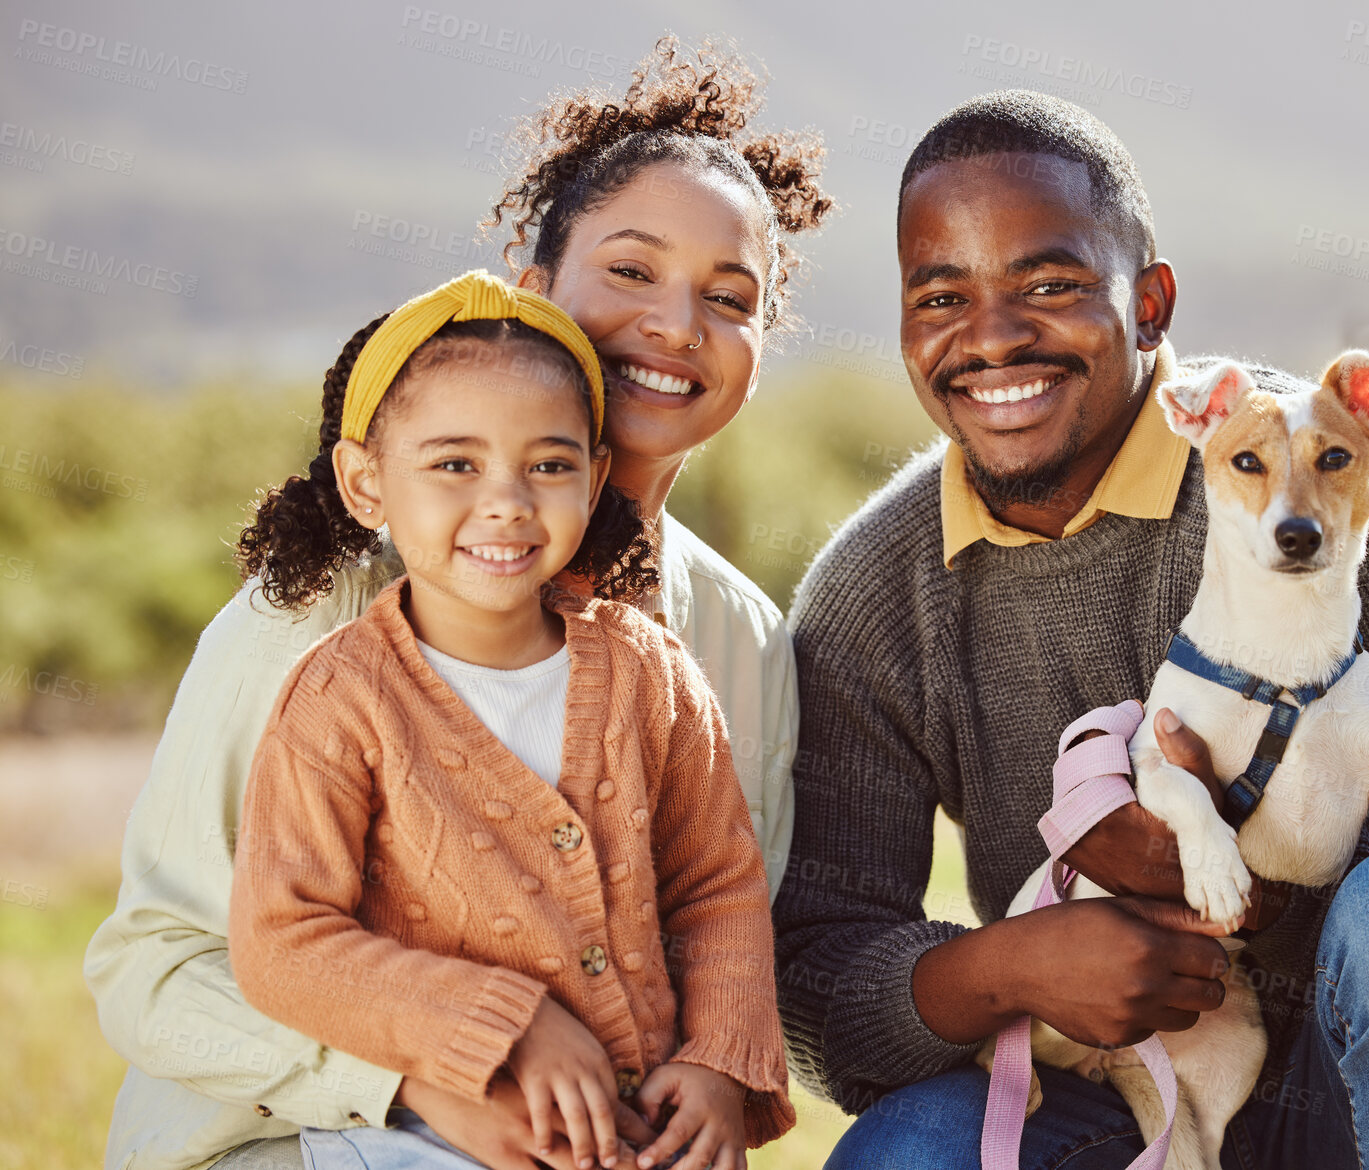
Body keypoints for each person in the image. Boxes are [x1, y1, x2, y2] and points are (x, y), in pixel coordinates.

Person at [773, 90, 1369, 1170]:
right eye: (940, 297)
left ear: (1149, 302)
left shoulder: (1356, 490)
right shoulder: (874, 592)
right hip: (1121, 1089)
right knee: (904, 1153)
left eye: (1051, 284)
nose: (994, 336)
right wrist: (1013, 966)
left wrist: (1227, 852)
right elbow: (826, 980)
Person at [84, 38, 831, 1170]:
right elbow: (155, 968)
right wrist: (403, 1085)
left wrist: (717, 1069)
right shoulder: (323, 609)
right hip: (283, 1141)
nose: (678, 324)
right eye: (630, 272)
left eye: (729, 299)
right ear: (532, 297)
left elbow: (720, 917)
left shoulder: (735, 639)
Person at [223, 270, 791, 1170]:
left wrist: (720, 1060)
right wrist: (506, 1022)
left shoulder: (650, 674)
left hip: (637, 1126)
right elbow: (282, 942)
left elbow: (716, 887)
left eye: (550, 465)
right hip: (426, 1133)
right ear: (366, 483)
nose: (507, 501)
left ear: (595, 477)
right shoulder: (340, 699)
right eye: (456, 464)